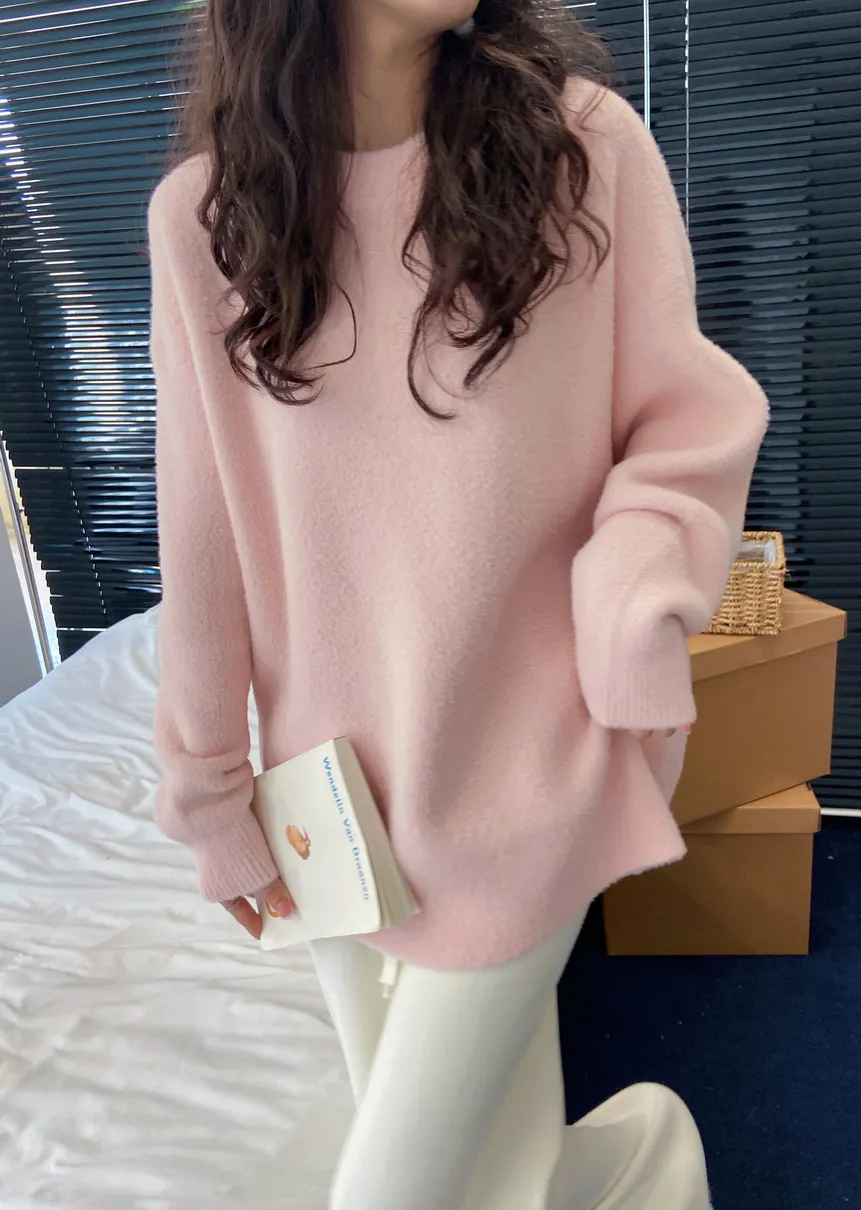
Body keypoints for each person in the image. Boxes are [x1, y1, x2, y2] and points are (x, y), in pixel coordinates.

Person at [148, 1, 769, 1207]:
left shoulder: (583, 150)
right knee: (510, 1177)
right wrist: (210, 794)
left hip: (529, 765)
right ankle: (650, 1156)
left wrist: (632, 605)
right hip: (332, 802)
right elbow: (203, 533)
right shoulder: (205, 221)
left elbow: (685, 419)